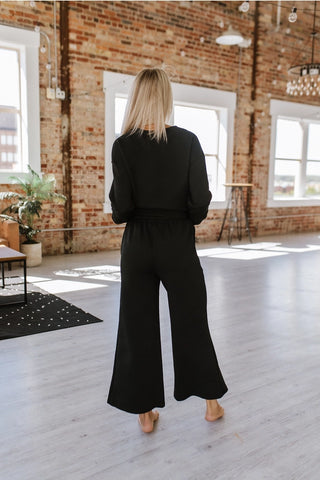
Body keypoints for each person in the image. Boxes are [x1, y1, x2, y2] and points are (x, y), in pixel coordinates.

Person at [107, 67, 228, 433]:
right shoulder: (189, 141)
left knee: (136, 326)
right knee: (192, 321)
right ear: (166, 98)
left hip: (138, 244)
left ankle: (145, 416)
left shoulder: (123, 145)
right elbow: (199, 207)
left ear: (136, 99)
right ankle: (211, 406)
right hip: (177, 242)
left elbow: (121, 211)